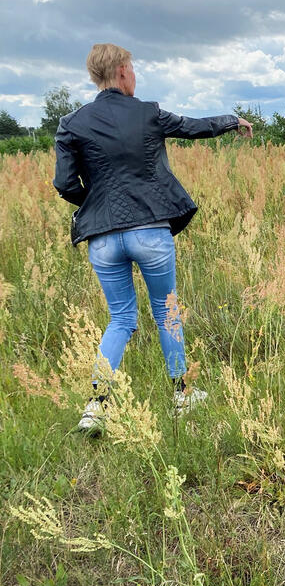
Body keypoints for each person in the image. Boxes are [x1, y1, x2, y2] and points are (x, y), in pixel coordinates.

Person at [52, 43, 253, 433]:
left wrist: (93, 203)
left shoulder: (71, 123)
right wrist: (233, 120)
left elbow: (64, 183)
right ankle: (182, 395)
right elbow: (193, 127)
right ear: (124, 70)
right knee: (167, 312)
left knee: (121, 319)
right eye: (133, 69)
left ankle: (96, 407)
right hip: (150, 232)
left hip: (103, 239)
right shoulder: (147, 112)